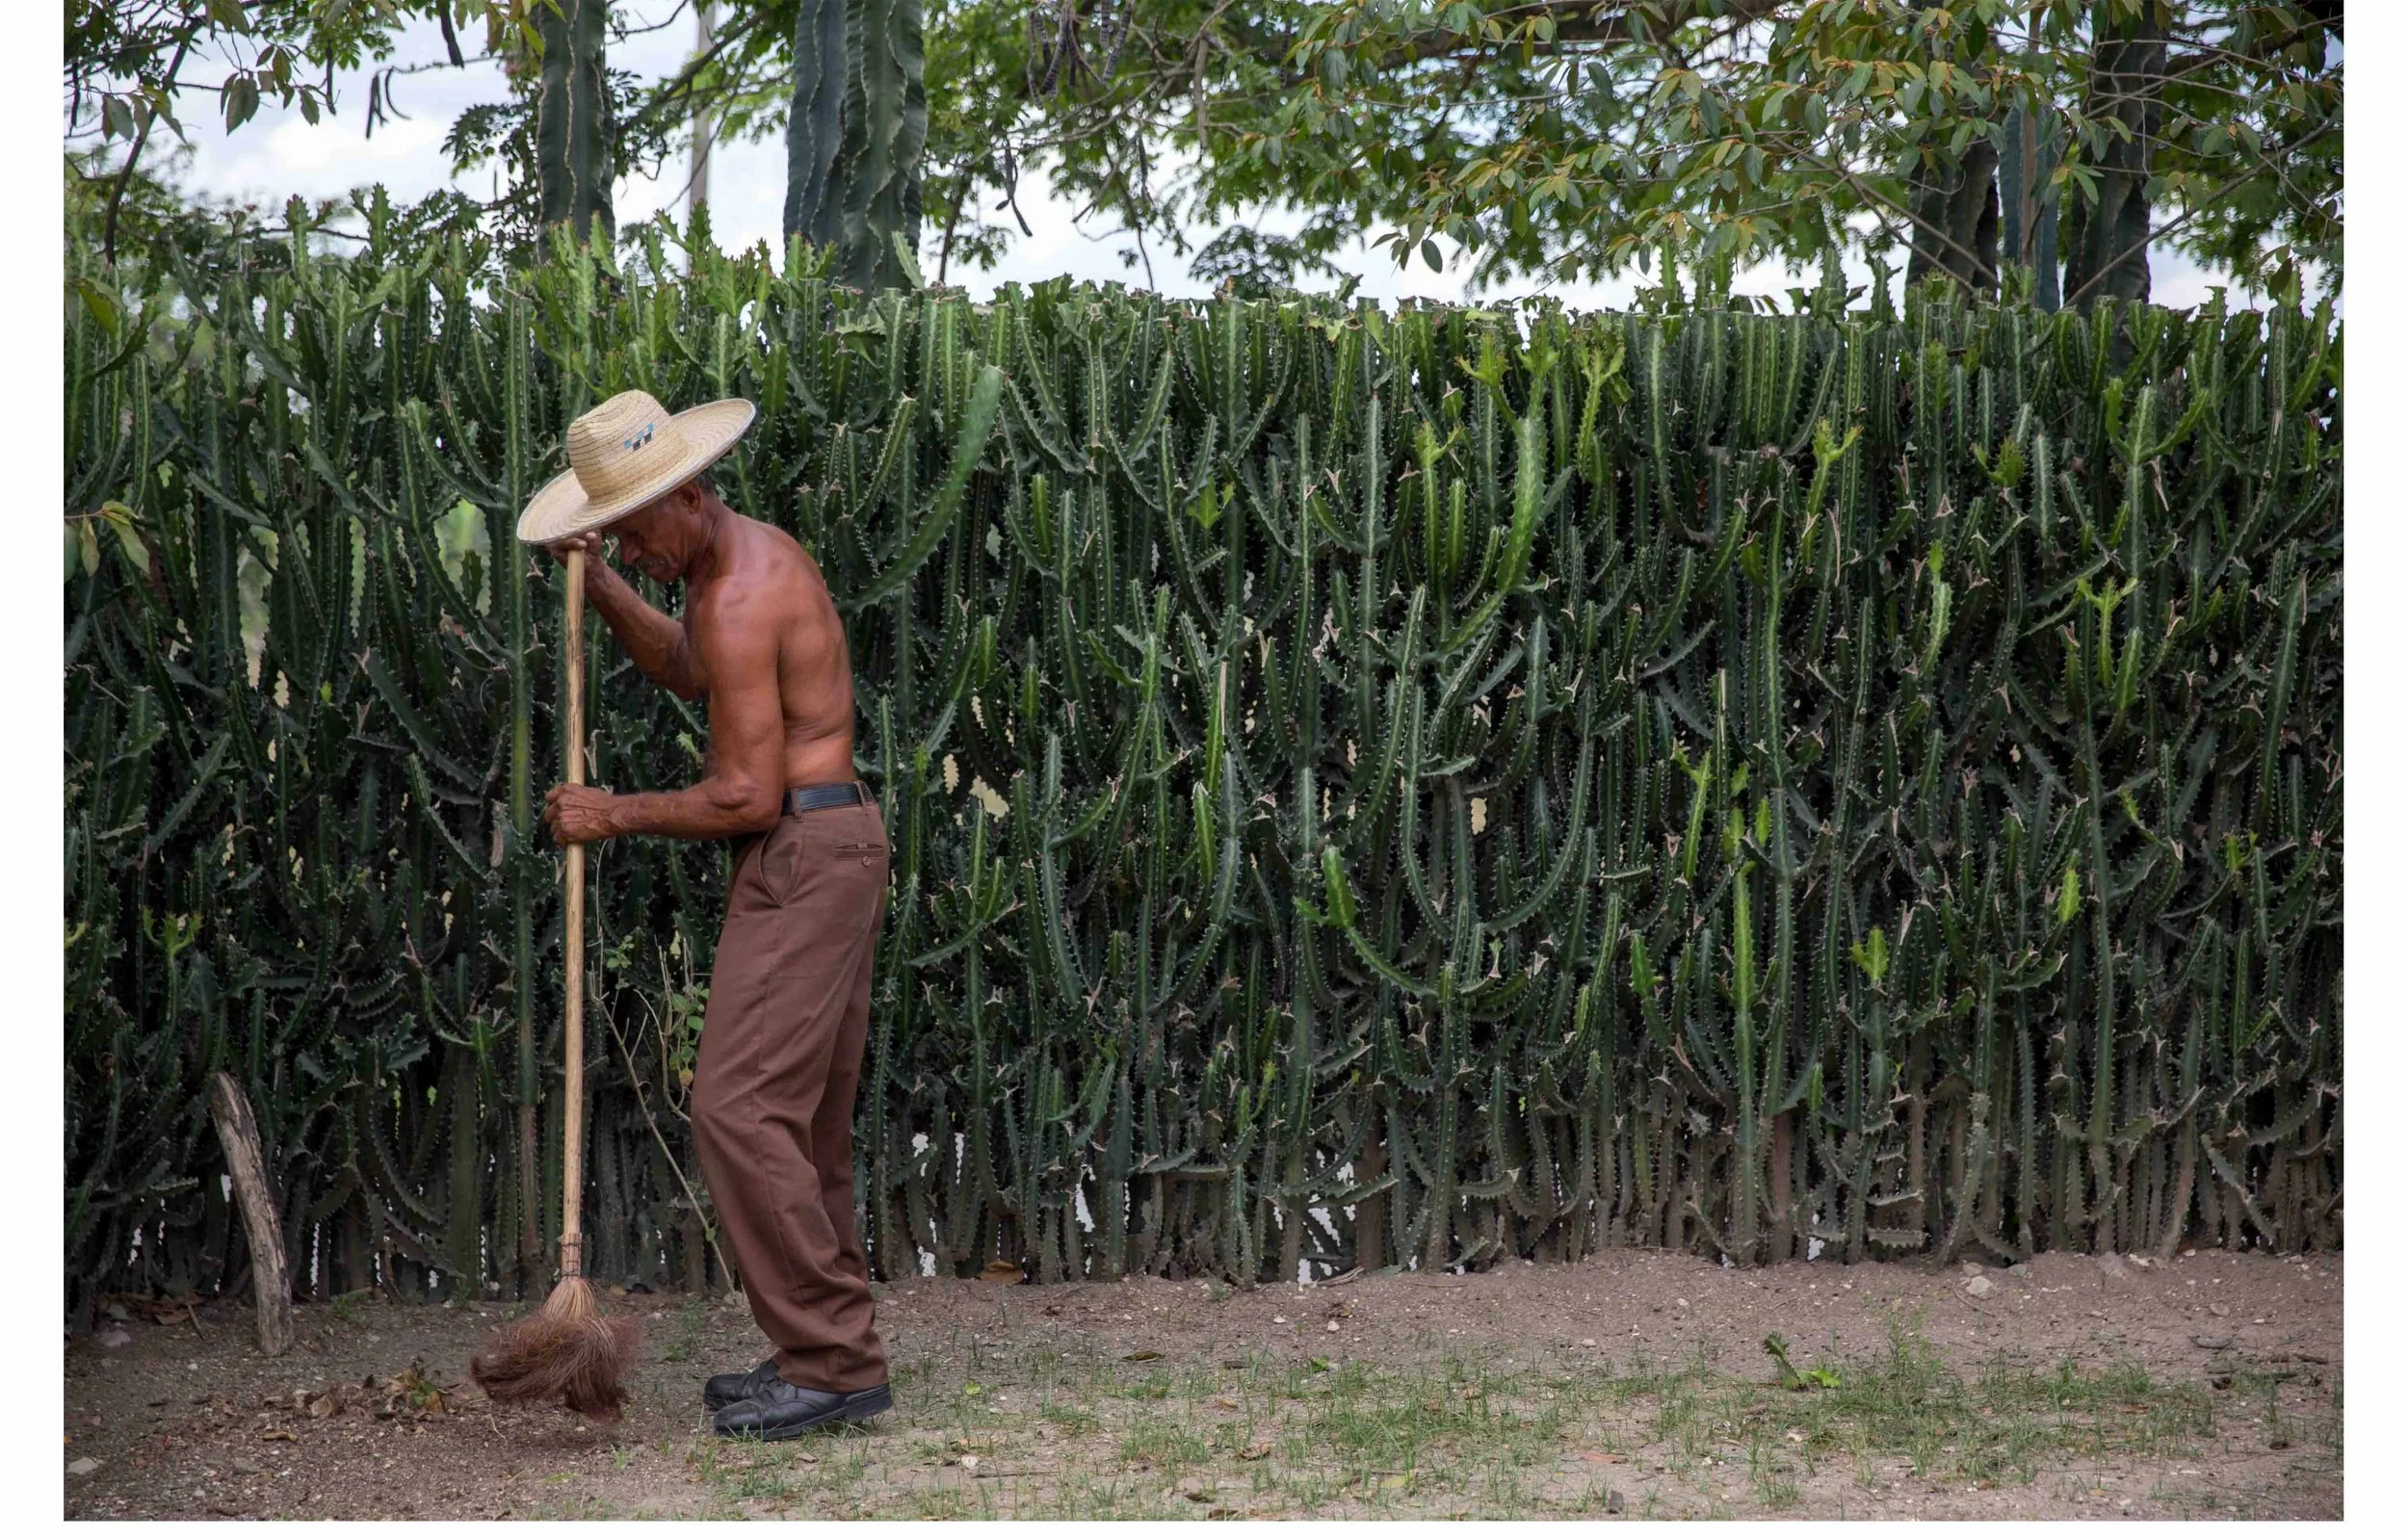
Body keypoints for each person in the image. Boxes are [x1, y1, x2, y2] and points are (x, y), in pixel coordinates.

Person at [518, 388, 892, 1441]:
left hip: (802, 851)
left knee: (736, 1106)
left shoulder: (736, 593)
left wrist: (609, 812)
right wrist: (594, 583)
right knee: (798, 1120)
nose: (634, 551)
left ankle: (830, 1363)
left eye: (635, 532)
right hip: (829, 848)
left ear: (685, 495)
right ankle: (824, 1354)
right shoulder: (740, 560)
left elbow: (744, 796)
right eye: (618, 537)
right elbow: (693, 670)